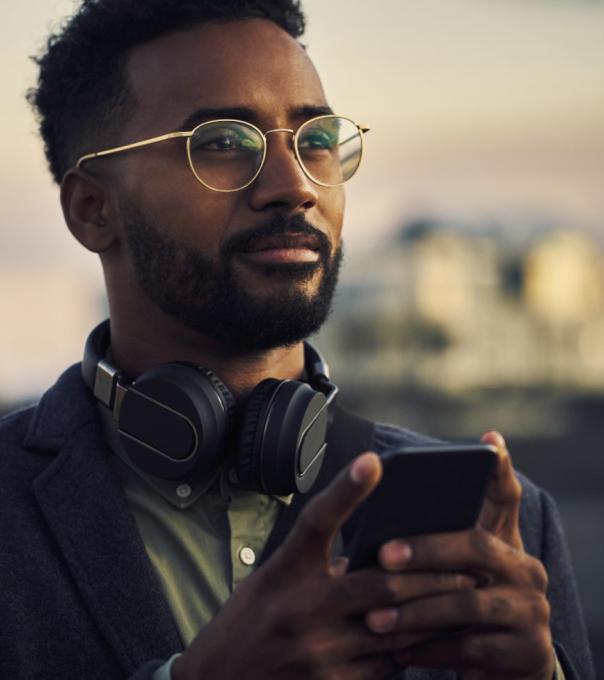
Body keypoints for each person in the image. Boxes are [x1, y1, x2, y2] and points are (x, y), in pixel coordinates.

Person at [0, 1, 594, 678]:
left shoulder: (499, 520)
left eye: (315, 139)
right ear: (92, 209)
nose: (295, 187)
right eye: (222, 144)